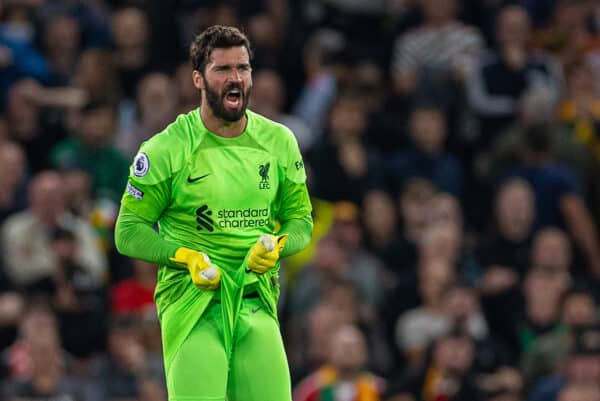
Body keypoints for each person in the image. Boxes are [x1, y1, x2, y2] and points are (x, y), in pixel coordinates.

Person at [114, 25, 313, 401]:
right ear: (198, 79)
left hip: (256, 300)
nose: (235, 78)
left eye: (243, 67)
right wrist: (185, 257)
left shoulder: (279, 141)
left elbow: (301, 220)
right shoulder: (166, 149)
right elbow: (128, 231)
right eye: (222, 69)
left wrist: (277, 243)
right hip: (193, 303)